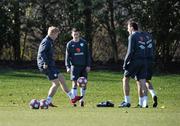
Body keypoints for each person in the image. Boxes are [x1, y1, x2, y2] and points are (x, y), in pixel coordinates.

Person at [37, 26, 82, 107]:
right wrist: (45, 63)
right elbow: (41, 53)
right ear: (53, 33)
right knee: (56, 84)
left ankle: (72, 98)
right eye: (57, 34)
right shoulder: (46, 41)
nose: (57, 36)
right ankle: (47, 101)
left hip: (51, 65)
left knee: (62, 79)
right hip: (47, 66)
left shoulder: (50, 41)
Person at [119, 21, 148, 108]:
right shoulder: (142, 36)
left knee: (125, 79)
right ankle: (143, 103)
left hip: (135, 61)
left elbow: (130, 51)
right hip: (144, 61)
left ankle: (127, 102)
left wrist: (125, 62)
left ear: (131, 28)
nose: (127, 29)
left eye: (128, 27)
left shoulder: (132, 36)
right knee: (141, 81)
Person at [65, 28, 91, 107]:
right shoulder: (69, 44)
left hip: (83, 66)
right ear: (72, 34)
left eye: (77, 33)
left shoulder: (84, 43)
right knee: (74, 83)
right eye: (74, 34)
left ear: (79, 34)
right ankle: (74, 101)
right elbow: (67, 57)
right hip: (74, 67)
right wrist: (67, 67)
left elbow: (88, 55)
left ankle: (82, 100)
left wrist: (88, 65)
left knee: (83, 83)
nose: (75, 35)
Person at [136, 31, 158, 108]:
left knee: (140, 81)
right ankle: (153, 94)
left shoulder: (138, 36)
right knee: (147, 80)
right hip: (151, 60)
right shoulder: (149, 36)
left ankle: (142, 103)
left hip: (143, 61)